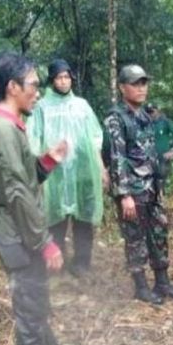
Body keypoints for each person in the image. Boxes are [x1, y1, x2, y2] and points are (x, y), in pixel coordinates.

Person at [0, 52, 74, 345]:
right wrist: (44, 242)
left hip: (20, 228)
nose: (38, 91)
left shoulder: (6, 123)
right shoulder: (3, 129)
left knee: (36, 298)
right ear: (12, 87)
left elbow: (23, 176)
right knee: (30, 307)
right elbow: (17, 193)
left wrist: (49, 159)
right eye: (33, 85)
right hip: (18, 232)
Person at [102, 64, 173, 305]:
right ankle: (141, 287)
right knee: (135, 237)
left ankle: (163, 282)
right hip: (132, 190)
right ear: (122, 87)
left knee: (159, 232)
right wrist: (124, 194)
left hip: (152, 187)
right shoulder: (116, 118)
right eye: (135, 83)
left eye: (144, 83)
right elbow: (117, 158)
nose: (141, 88)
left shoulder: (145, 116)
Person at [27, 59, 107, 277]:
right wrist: (39, 171)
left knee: (83, 219)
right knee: (56, 220)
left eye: (66, 77)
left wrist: (100, 167)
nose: (63, 81)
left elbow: (94, 137)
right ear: (52, 81)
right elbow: (34, 138)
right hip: (56, 175)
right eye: (58, 78)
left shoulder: (82, 106)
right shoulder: (42, 107)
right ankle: (57, 265)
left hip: (82, 171)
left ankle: (82, 264)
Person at [146, 103, 173, 194]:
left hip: (162, 158)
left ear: (157, 111)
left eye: (152, 112)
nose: (151, 114)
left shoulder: (165, 122)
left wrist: (172, 150)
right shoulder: (145, 124)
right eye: (148, 112)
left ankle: (161, 200)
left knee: (161, 181)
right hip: (148, 159)